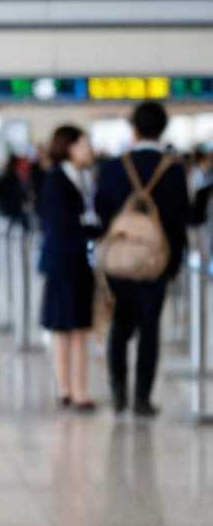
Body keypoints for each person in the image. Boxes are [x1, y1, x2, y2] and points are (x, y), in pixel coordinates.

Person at [95, 101, 190, 417]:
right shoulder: (173, 169)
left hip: (120, 260)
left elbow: (101, 209)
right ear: (163, 128)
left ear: (133, 128)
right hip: (155, 260)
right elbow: (180, 219)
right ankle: (142, 399)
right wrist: (174, 261)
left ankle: (118, 391)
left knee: (119, 327)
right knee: (150, 329)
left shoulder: (114, 166)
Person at [38, 125, 98, 412]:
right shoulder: (56, 179)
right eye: (85, 144)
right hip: (64, 261)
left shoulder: (82, 176)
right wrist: (91, 227)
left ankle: (72, 388)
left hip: (75, 261)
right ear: (71, 147)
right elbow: (61, 222)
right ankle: (71, 389)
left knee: (75, 327)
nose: (90, 149)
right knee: (68, 326)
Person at [0, 154, 29, 229]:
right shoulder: (13, 178)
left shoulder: (5, 176)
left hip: (7, 208)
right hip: (12, 208)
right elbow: (20, 193)